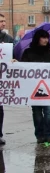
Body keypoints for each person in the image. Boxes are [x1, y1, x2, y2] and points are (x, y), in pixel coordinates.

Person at [21, 29, 50, 144]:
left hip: (49, 86)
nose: (46, 40)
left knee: (49, 112)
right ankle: (39, 135)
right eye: (43, 37)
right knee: (37, 113)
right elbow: (23, 68)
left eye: (47, 37)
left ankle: (48, 135)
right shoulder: (28, 52)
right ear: (38, 38)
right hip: (33, 87)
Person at [0, 13, 13, 145]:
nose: (4, 23)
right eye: (1, 21)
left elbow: (15, 53)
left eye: (4, 21)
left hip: (2, 79)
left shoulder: (7, 38)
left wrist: (14, 59)